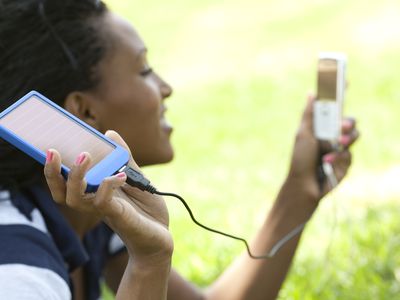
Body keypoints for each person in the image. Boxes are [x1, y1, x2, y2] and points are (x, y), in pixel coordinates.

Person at [0, 0, 359, 299]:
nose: (166, 88)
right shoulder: (16, 267)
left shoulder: (88, 211)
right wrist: (148, 261)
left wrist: (299, 191)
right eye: (144, 70)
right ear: (84, 111)